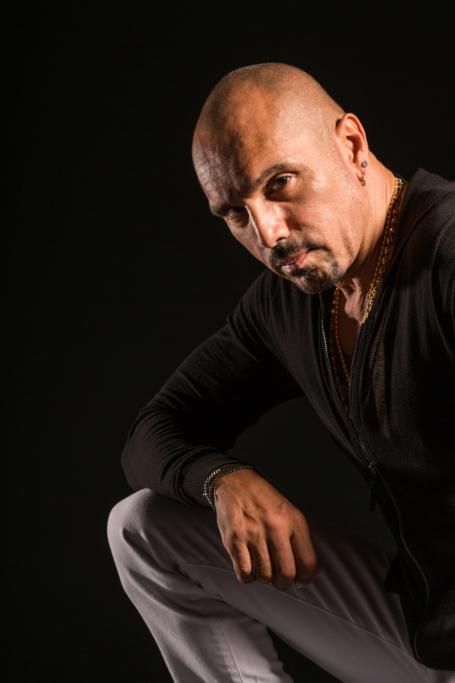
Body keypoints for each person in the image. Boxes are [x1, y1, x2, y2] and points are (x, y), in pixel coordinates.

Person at [107, 63, 455, 682]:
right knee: (144, 527)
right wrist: (222, 479)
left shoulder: (447, 255)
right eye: (235, 213)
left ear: (352, 145)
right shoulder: (291, 301)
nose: (268, 232)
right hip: (430, 633)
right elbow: (155, 429)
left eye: (280, 183)